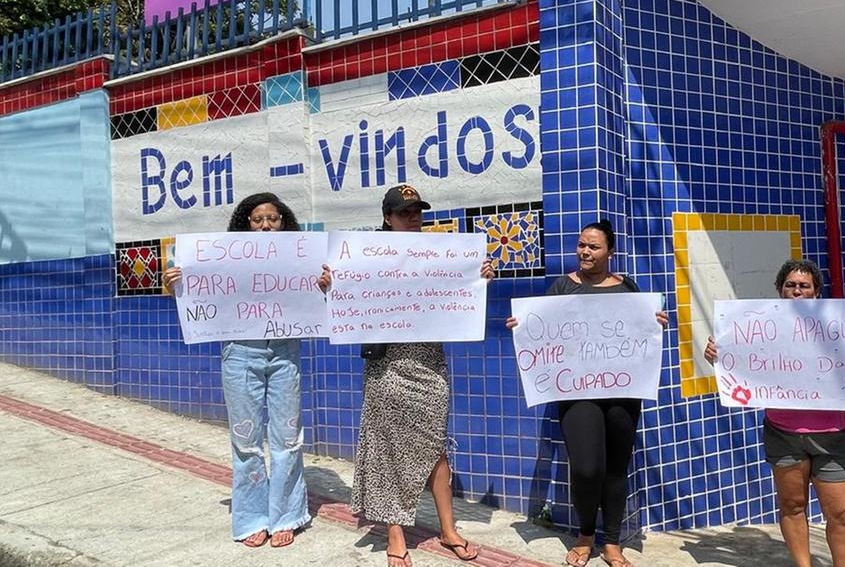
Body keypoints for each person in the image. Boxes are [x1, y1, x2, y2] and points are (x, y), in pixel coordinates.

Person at [163, 192, 331, 548]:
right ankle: (253, 517)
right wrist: (175, 283)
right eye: (257, 219)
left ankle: (287, 515)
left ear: (284, 222)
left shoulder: (302, 260)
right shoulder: (224, 259)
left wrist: (324, 285)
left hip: (284, 352)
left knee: (288, 438)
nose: (266, 224)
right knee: (245, 441)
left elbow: (323, 298)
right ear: (246, 224)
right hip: (239, 354)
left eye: (273, 218)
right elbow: (192, 293)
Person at [702, 258, 845, 567]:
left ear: (817, 293)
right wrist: (718, 358)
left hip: (830, 436)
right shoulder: (759, 326)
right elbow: (741, 366)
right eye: (790, 285)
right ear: (780, 291)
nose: (797, 291)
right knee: (792, 505)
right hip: (783, 433)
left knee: (842, 513)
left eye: (804, 286)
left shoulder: (839, 327)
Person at [505, 219, 668, 567]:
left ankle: (611, 542)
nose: (584, 251)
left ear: (610, 251)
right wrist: (521, 326)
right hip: (578, 393)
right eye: (581, 245)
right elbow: (539, 327)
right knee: (586, 467)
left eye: (593, 246)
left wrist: (655, 323)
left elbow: (641, 331)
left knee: (616, 467)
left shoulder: (627, 287)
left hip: (623, 391)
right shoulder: (563, 286)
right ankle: (584, 534)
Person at [350, 184, 496, 567]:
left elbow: (459, 298)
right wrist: (331, 285)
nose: (413, 218)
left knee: (435, 448)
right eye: (404, 213)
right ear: (387, 218)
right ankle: (395, 532)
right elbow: (345, 300)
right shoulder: (366, 256)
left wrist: (479, 278)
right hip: (387, 366)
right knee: (387, 450)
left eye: (417, 212)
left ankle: (448, 530)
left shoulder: (441, 255)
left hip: (430, 364)